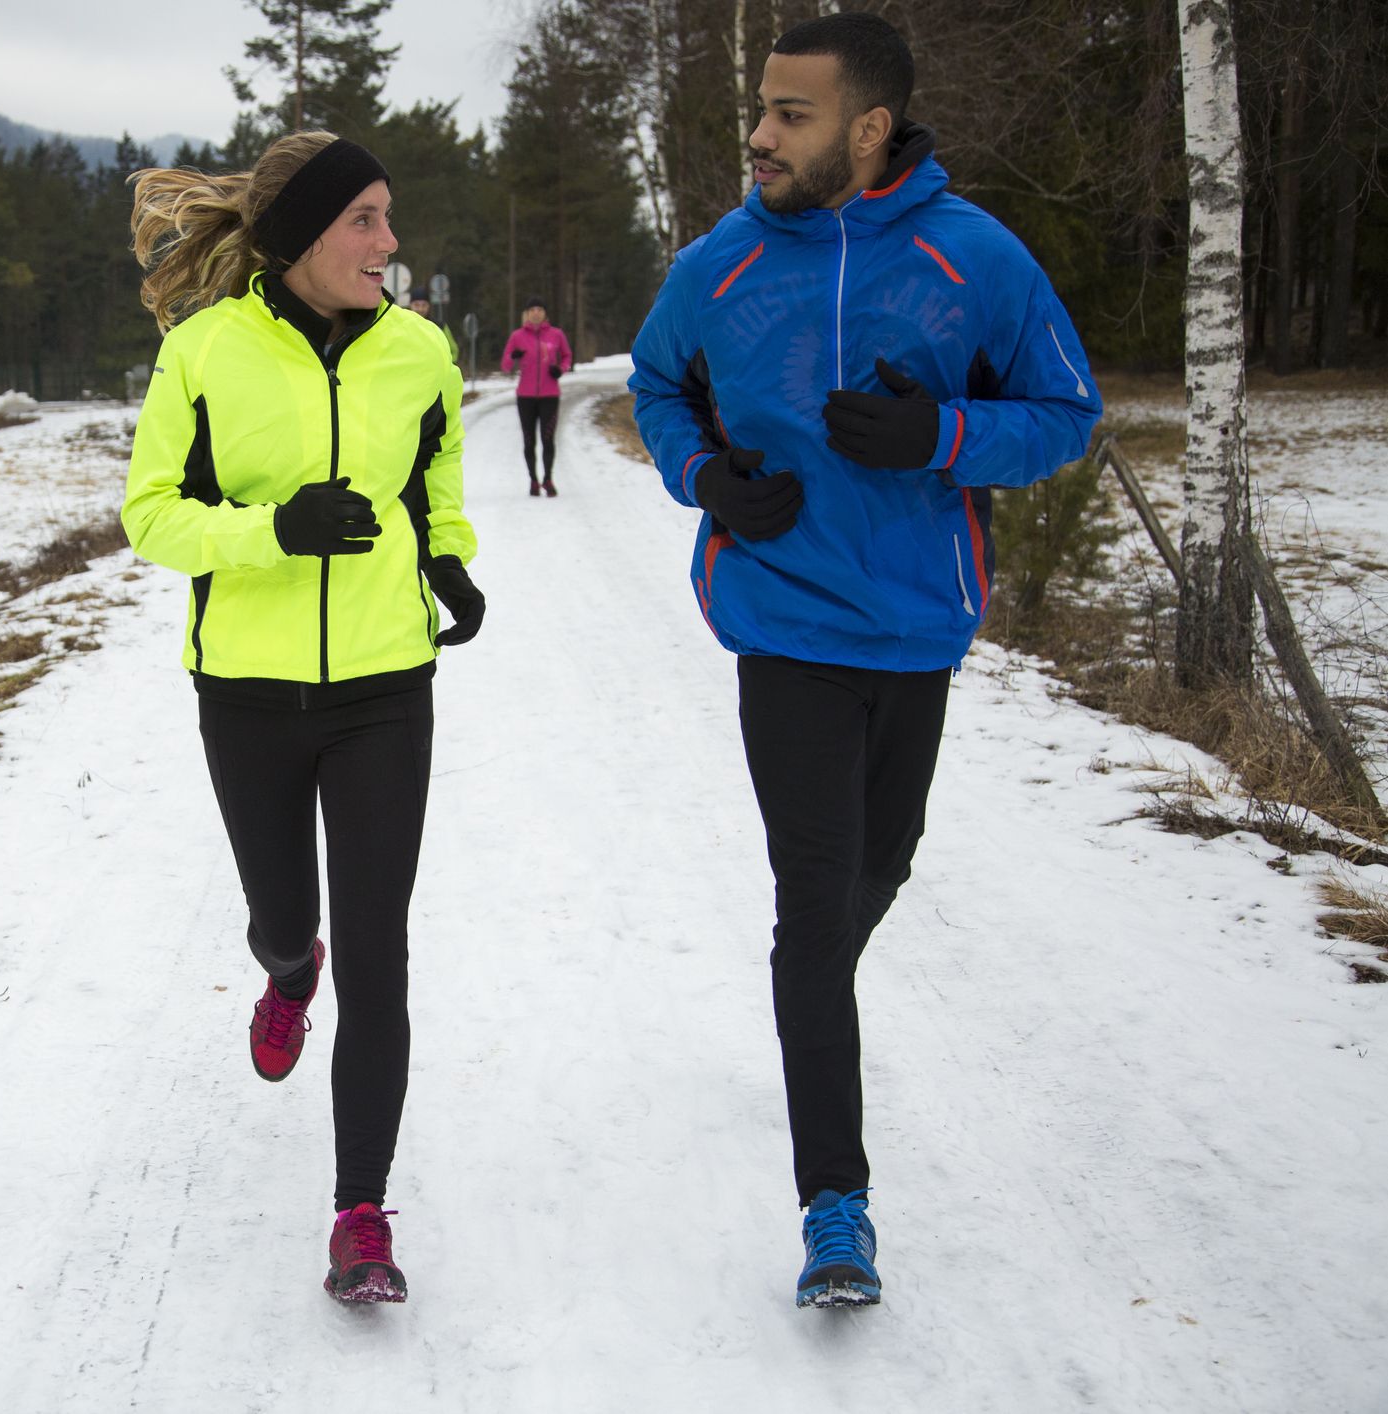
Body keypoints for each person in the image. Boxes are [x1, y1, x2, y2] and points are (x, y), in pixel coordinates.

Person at [629, 12, 1100, 1309]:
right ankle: (836, 1203)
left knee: (874, 873)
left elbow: (1067, 415)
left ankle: (807, 1005)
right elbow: (657, 387)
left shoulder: (972, 259)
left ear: (870, 128)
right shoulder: (721, 264)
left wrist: (938, 433)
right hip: (781, 623)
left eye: (791, 113)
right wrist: (706, 474)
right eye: (762, 108)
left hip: (916, 623)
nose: (760, 134)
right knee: (815, 890)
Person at [122, 132, 483, 1305]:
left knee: (383, 953)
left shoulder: (422, 353)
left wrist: (451, 564)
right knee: (290, 917)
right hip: (249, 691)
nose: (388, 243)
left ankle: (360, 1212)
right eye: (365, 221)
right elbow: (152, 516)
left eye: (389, 217)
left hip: (386, 685)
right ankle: (288, 965)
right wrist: (270, 532)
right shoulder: (204, 353)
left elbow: (436, 489)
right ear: (302, 237)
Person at [501, 298, 573, 496]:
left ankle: (548, 479)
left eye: (540, 309)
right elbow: (505, 366)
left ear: (545, 314)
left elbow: (567, 356)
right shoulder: (517, 336)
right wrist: (512, 357)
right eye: (532, 309)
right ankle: (533, 480)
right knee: (529, 440)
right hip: (525, 396)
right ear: (526, 313)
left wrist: (560, 369)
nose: (536, 313)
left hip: (550, 395)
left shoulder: (556, 334)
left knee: (548, 439)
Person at [410, 294, 458, 365]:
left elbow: (453, 350)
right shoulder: (402, 326)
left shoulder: (440, 326)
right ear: (410, 305)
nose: (420, 309)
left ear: (428, 306)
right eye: (417, 305)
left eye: (424, 305)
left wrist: (448, 364)